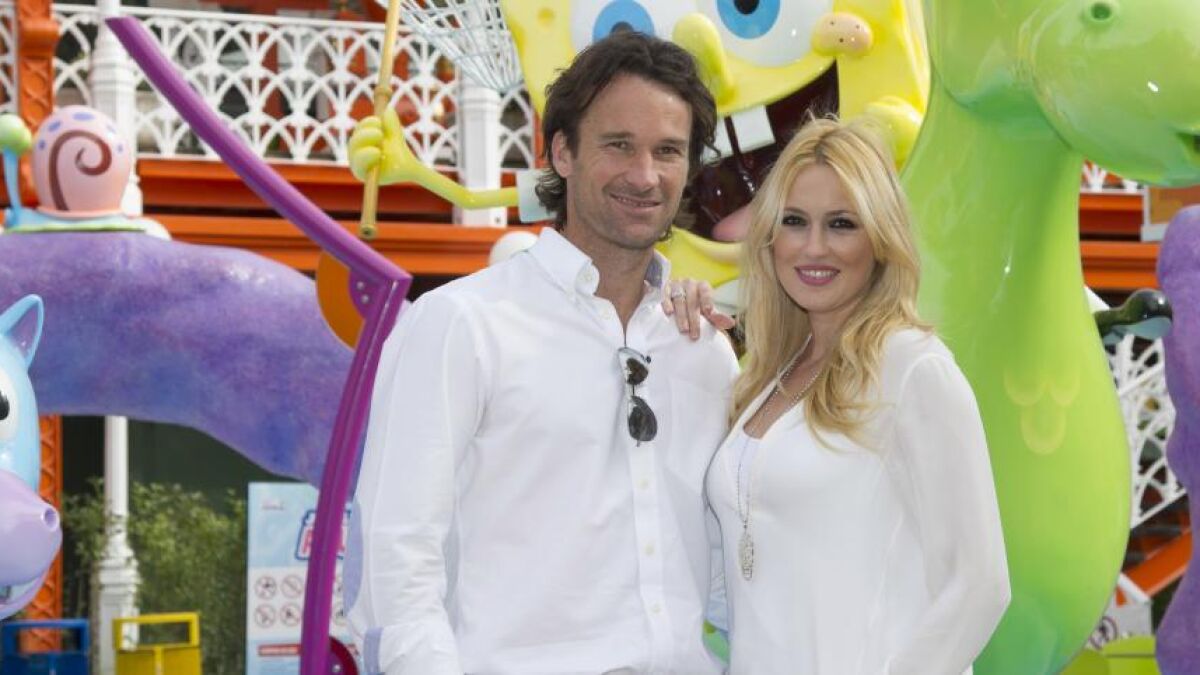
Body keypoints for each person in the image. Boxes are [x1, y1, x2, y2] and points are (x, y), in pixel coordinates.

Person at [343, 30, 739, 675]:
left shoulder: (703, 349)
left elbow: (729, 565)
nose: (645, 175)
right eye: (618, 145)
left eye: (668, 150)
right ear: (562, 151)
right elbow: (396, 557)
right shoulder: (461, 323)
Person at [694, 118, 1010, 674]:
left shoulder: (912, 367)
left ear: (880, 239)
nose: (814, 247)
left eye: (842, 224)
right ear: (769, 237)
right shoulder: (769, 378)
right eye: (794, 221)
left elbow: (980, 586)